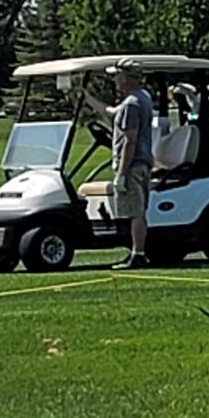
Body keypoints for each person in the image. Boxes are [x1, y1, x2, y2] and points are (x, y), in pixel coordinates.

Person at [87, 63, 155, 270]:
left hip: (132, 165)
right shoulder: (142, 98)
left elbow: (129, 141)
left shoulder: (131, 105)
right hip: (143, 162)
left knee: (135, 211)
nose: (115, 80)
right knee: (138, 209)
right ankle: (138, 252)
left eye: (117, 76)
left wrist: (122, 174)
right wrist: (86, 97)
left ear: (126, 78)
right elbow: (110, 112)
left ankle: (138, 255)